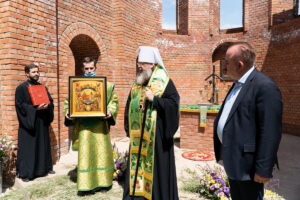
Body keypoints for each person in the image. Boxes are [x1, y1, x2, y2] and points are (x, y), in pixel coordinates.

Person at [213, 42, 282, 200]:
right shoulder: (238, 84)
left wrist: (263, 169)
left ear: (240, 65)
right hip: (235, 161)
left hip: (249, 168)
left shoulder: (265, 87)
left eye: (227, 63)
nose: (224, 67)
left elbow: (271, 131)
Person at [123, 46, 180, 200]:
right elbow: (130, 104)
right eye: (138, 63)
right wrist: (129, 128)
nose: (139, 66)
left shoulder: (164, 81)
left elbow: (173, 104)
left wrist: (155, 100)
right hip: (138, 137)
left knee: (156, 171)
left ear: (152, 65)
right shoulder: (138, 82)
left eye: (142, 63)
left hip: (157, 139)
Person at [63, 57, 119, 194]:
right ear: (83, 69)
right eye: (86, 69)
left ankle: (104, 183)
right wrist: (68, 113)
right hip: (84, 128)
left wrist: (110, 112)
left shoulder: (106, 85)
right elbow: (68, 103)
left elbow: (114, 101)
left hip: (100, 126)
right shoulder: (76, 85)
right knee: (86, 155)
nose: (89, 71)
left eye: (91, 68)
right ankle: (86, 185)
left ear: (95, 68)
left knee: (102, 153)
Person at [15, 64, 55, 182]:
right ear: (27, 74)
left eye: (37, 72)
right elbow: (19, 105)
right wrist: (35, 109)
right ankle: (26, 173)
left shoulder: (42, 87)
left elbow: (50, 101)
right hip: (29, 123)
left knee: (42, 146)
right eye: (33, 72)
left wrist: (48, 106)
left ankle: (44, 169)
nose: (36, 74)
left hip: (41, 122)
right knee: (29, 148)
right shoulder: (21, 88)